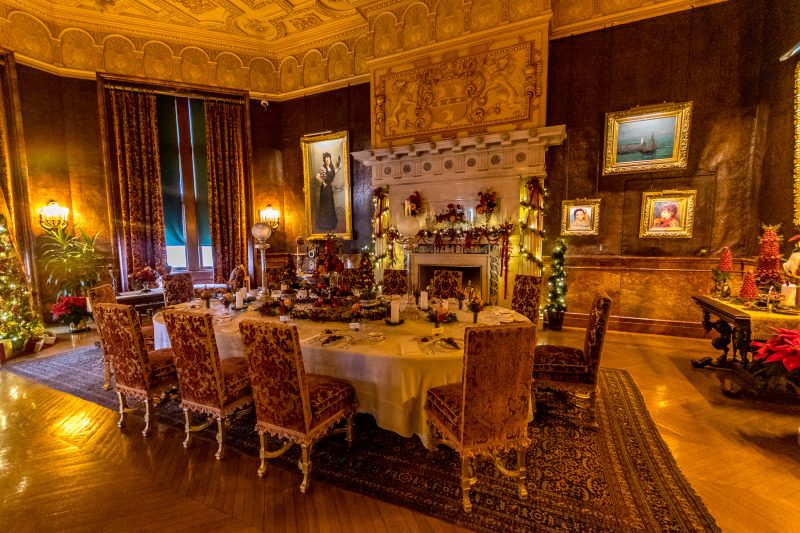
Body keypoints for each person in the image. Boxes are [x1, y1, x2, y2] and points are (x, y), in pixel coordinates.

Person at [315, 151, 341, 231]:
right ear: (324, 160)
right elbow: (317, 176)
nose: (327, 161)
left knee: (330, 205)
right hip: (325, 189)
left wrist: (339, 167)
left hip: (329, 188)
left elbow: (333, 173)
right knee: (325, 206)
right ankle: (324, 225)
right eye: (326, 160)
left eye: (328, 159)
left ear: (330, 159)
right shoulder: (323, 168)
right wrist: (323, 182)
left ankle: (331, 224)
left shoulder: (331, 168)